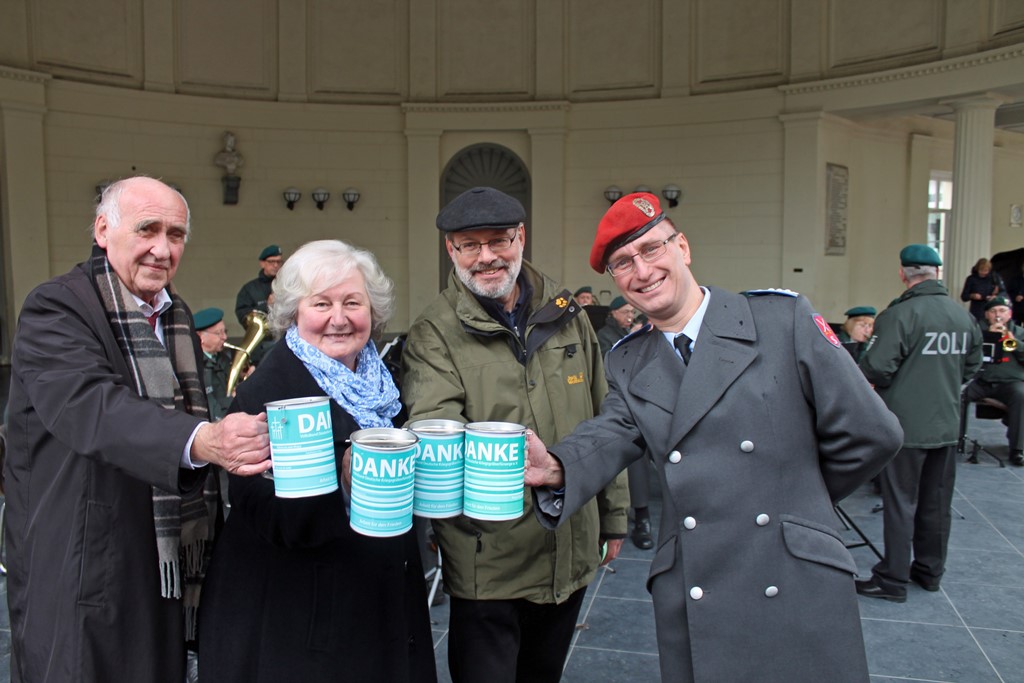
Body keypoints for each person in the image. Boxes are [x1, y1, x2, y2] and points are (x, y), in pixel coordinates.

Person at [523, 191, 903, 683]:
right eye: (622, 264)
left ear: (682, 247)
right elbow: (614, 429)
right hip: (697, 580)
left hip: (791, 571)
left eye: (651, 249)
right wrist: (556, 465)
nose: (641, 272)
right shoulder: (629, 358)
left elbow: (871, 432)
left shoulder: (778, 321)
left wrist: (795, 496)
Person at [5, 176, 272, 683]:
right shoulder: (57, 307)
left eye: (176, 235)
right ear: (103, 230)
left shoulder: (176, 314)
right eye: (147, 229)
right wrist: (202, 441)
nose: (162, 248)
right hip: (82, 557)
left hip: (162, 556)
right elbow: (93, 407)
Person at [401, 187, 629, 683]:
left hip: (570, 540)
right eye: (469, 245)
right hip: (488, 562)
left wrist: (612, 516)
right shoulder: (433, 333)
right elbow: (435, 433)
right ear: (451, 251)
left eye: (499, 240)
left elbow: (605, 418)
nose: (486, 256)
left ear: (521, 237)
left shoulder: (567, 314)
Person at [199, 239, 436, 683]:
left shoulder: (379, 382)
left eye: (353, 302)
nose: (339, 318)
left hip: (377, 599)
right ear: (294, 313)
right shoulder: (270, 388)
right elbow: (260, 509)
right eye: (322, 303)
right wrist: (342, 481)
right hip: (304, 621)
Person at [856, 244, 983, 602]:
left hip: (906, 426)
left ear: (903, 273)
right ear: (937, 274)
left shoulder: (901, 315)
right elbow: (972, 368)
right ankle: (929, 572)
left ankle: (892, 578)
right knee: (936, 502)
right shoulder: (962, 317)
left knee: (901, 503)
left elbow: (876, 367)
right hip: (946, 425)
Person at [596, 295, 653, 550]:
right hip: (618, 402)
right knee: (634, 448)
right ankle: (642, 516)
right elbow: (611, 367)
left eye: (632, 312)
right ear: (613, 313)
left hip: (640, 399)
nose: (630, 316)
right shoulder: (605, 336)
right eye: (626, 312)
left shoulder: (631, 333)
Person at [964, 296, 1024, 466]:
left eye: (1002, 311)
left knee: (1021, 396)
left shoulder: (1019, 333)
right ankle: (955, 441)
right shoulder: (978, 332)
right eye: (993, 311)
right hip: (983, 381)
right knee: (959, 395)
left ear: (1010, 314)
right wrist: (989, 336)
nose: (998, 315)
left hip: (1011, 383)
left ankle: (1017, 449)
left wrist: (1009, 340)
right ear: (987, 315)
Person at [193, 307, 232, 421]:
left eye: (225, 331)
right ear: (201, 337)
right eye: (218, 333)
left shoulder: (224, 357)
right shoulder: (197, 365)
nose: (225, 337)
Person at [961, 257, 1006, 322]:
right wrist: (972, 295)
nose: (983, 273)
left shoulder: (994, 277)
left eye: (986, 270)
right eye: (981, 270)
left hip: (991, 307)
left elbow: (1003, 292)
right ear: (977, 269)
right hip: (977, 309)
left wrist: (996, 296)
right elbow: (964, 296)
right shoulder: (971, 279)